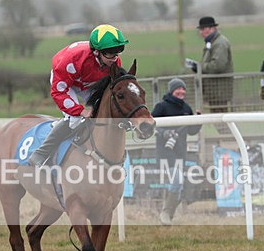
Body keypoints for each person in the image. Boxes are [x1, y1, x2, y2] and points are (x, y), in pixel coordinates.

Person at [28, 24, 128, 166]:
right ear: (97, 52)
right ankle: (42, 152)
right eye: (110, 53)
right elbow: (59, 91)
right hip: (66, 82)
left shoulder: (114, 62)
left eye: (118, 52)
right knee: (74, 119)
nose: (114, 58)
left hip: (88, 83)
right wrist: (80, 110)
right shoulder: (73, 59)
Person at [151, 78, 201, 225]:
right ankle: (166, 213)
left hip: (181, 152)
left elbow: (192, 131)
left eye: (183, 89)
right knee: (177, 180)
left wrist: (198, 120)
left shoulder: (186, 108)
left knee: (178, 186)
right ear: (171, 91)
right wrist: (164, 133)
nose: (182, 91)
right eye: (178, 89)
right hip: (166, 152)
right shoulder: (161, 107)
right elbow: (151, 125)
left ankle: (167, 216)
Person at [186, 16, 234, 114]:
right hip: (215, 90)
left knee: (221, 121)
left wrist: (199, 67)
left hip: (219, 90)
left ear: (212, 28)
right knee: (219, 121)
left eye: (203, 29)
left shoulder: (219, 43)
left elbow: (217, 65)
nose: (201, 32)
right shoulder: (213, 42)